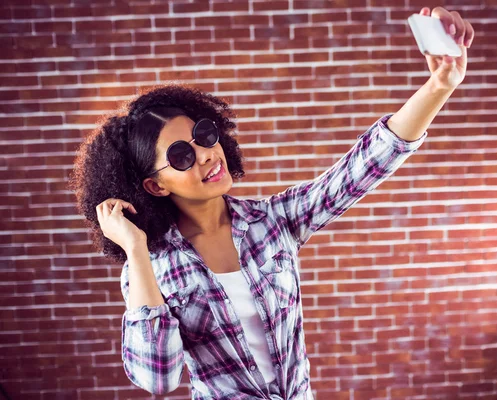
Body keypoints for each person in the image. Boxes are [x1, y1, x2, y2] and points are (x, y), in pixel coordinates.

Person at [69, 6, 474, 399]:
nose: (207, 154)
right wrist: (136, 251)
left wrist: (440, 85)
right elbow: (158, 378)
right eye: (181, 156)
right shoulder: (151, 268)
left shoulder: (272, 221)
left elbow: (363, 166)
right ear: (156, 186)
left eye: (205, 136)